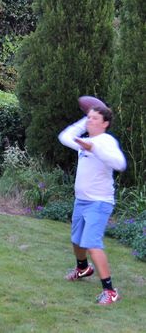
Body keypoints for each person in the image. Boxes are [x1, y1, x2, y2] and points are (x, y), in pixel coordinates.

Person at [58, 105, 126, 305]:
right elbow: (64, 137)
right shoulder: (85, 142)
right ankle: (83, 269)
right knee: (76, 240)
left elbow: (120, 164)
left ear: (105, 123)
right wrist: (84, 122)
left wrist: (93, 148)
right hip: (81, 200)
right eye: (89, 117)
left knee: (92, 243)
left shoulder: (106, 141)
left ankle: (110, 291)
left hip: (99, 202)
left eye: (95, 118)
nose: (90, 121)